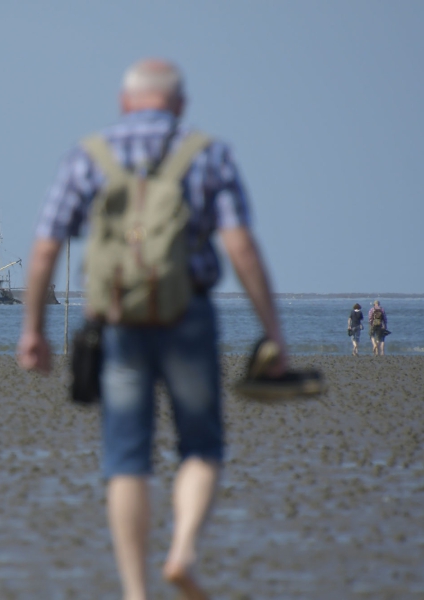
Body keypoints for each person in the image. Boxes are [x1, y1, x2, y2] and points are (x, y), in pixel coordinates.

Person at [17, 59, 290, 600]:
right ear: (180, 105)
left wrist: (34, 329)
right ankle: (183, 550)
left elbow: (46, 246)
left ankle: (135, 593)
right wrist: (273, 331)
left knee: (125, 458)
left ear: (124, 102)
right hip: (187, 314)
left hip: (115, 321)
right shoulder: (208, 153)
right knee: (201, 445)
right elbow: (240, 248)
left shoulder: (88, 155)